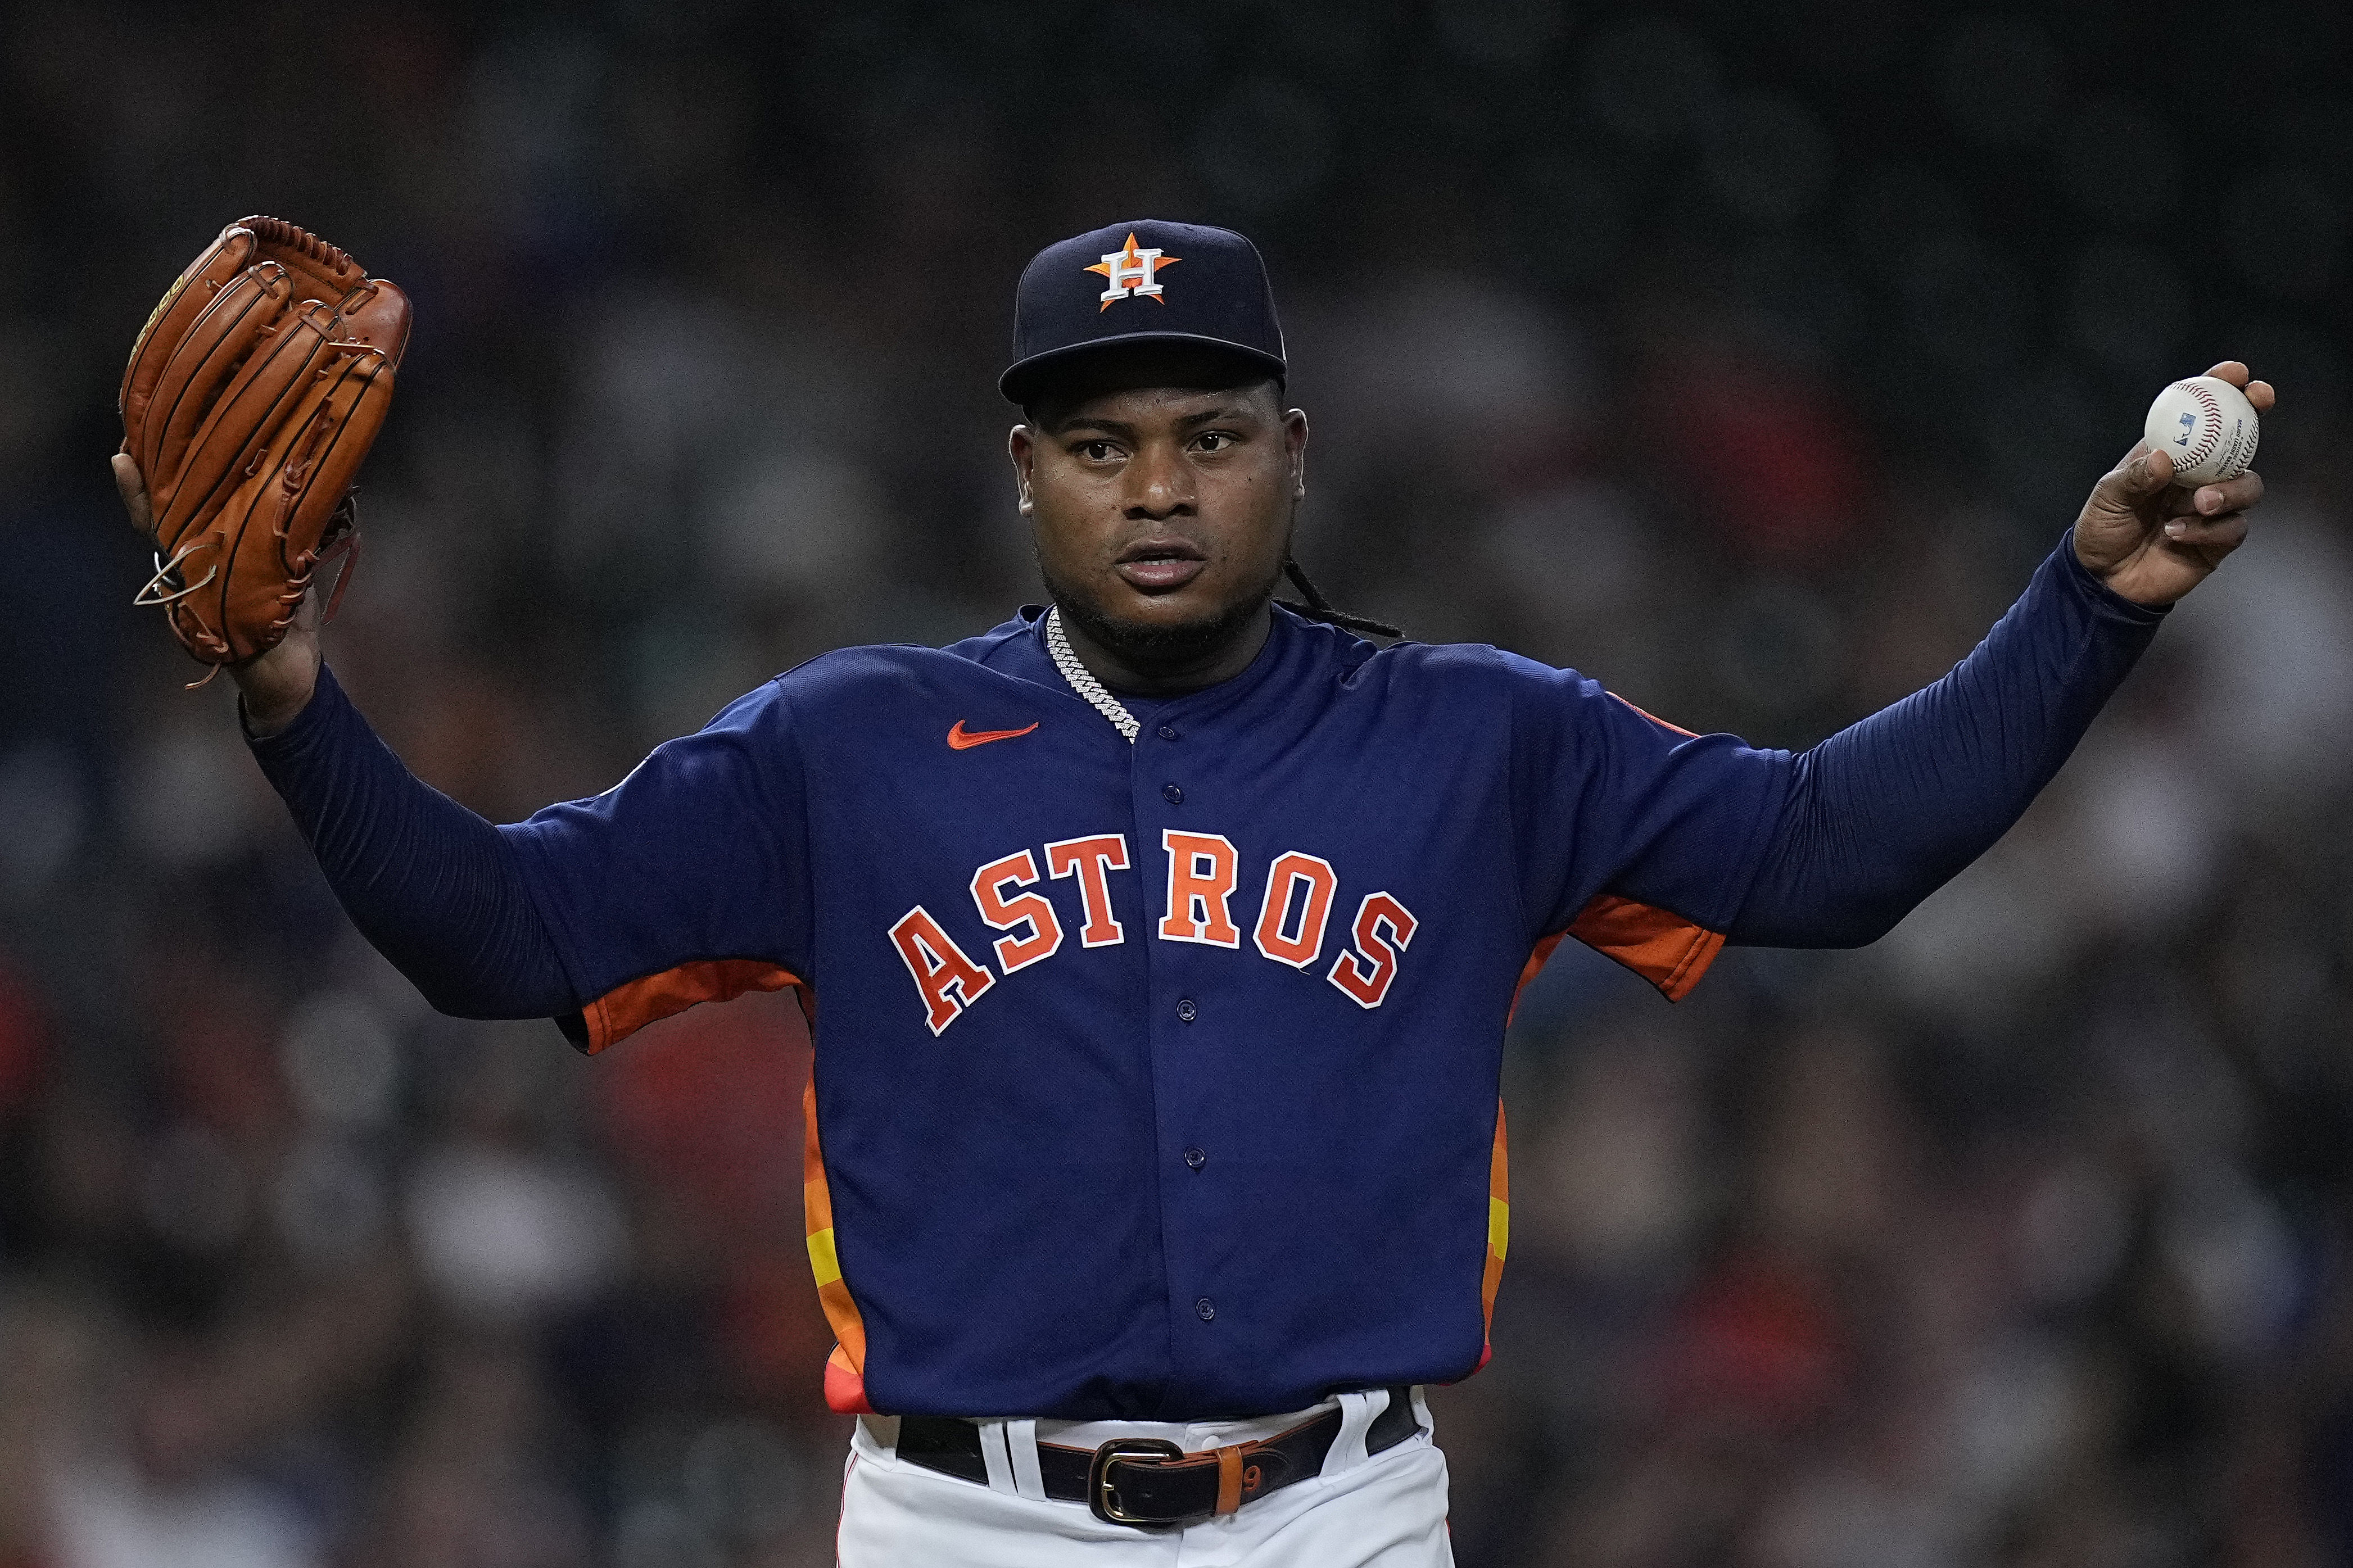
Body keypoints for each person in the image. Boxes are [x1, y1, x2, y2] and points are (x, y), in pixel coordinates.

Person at [111, 219, 2270, 1565]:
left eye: (1206, 432)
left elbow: (1826, 854)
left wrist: (2083, 608)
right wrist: (295, 697)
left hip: (1339, 1512)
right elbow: (502, 937)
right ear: (1022, 469)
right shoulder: (840, 751)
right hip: (966, 1524)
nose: (1156, 482)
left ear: (1296, 453)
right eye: (1100, 437)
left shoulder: (1475, 740)